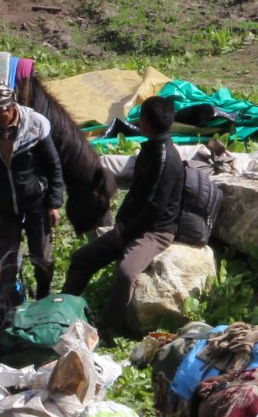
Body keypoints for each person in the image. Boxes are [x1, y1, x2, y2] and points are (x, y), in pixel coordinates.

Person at [61, 95, 184, 335]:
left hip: (155, 231)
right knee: (80, 259)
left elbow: (154, 208)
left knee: (126, 272)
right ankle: (61, 310)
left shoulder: (166, 158)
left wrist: (124, 234)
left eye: (141, 117)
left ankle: (110, 326)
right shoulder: (150, 149)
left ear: (147, 122)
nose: (138, 121)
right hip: (131, 225)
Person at [0, 82, 63, 301]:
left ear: (12, 108)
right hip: (3, 203)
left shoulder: (35, 126)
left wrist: (54, 203)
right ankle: (10, 302)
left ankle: (43, 295)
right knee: (5, 258)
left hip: (34, 200)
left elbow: (53, 166)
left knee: (42, 257)